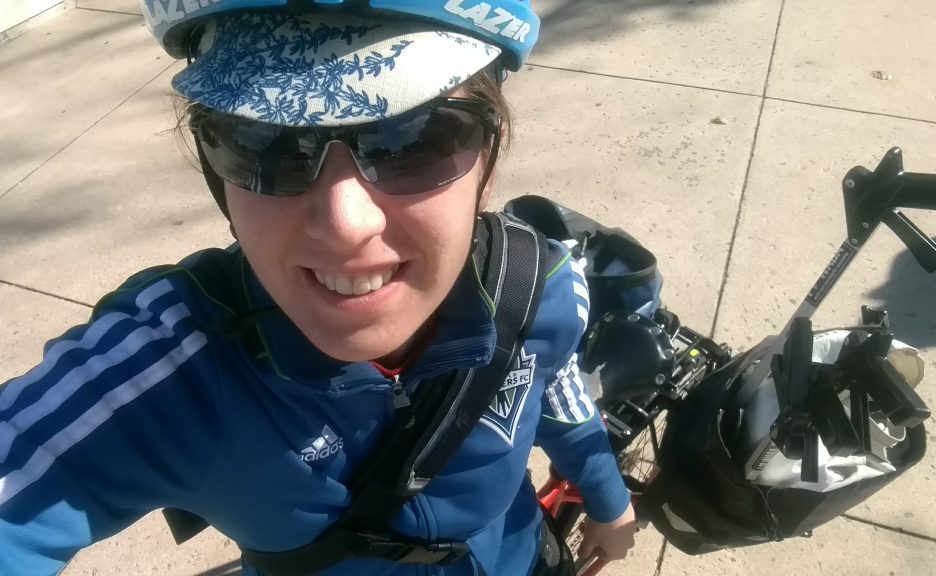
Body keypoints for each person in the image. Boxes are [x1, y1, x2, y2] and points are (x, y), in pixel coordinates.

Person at [0, 1, 636, 574]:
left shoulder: (534, 285)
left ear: (488, 164)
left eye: (416, 138)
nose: (345, 226)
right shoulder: (178, 373)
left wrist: (609, 502)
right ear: (216, 176)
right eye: (265, 145)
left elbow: (556, 387)